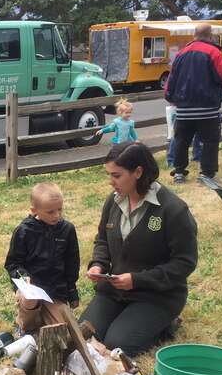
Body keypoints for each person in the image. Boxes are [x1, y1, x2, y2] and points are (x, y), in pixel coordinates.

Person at [80, 142, 198, 356]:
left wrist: (137, 280)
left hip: (156, 296)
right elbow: (102, 241)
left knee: (117, 345)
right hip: (114, 290)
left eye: (116, 176)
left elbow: (185, 263)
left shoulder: (173, 209)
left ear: (138, 172)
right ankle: (128, 319)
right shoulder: (113, 202)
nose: (110, 182)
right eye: (109, 175)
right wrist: (98, 265)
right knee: (86, 336)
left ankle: (167, 323)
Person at [165, 23, 222, 185]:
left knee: (181, 141)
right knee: (209, 142)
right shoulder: (213, 52)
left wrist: (172, 98)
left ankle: (179, 172)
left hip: (184, 108)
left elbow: (171, 80)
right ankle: (207, 173)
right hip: (207, 107)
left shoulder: (182, 53)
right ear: (210, 35)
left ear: (194, 35)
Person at [5, 182, 80, 333]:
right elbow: (13, 263)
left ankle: (46, 316)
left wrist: (72, 291)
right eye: (50, 212)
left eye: (60, 209)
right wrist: (23, 277)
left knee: (62, 331)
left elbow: (72, 263)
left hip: (55, 291)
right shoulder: (23, 231)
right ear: (34, 210)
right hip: (32, 289)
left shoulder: (67, 230)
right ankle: (24, 325)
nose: (57, 215)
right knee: (30, 301)